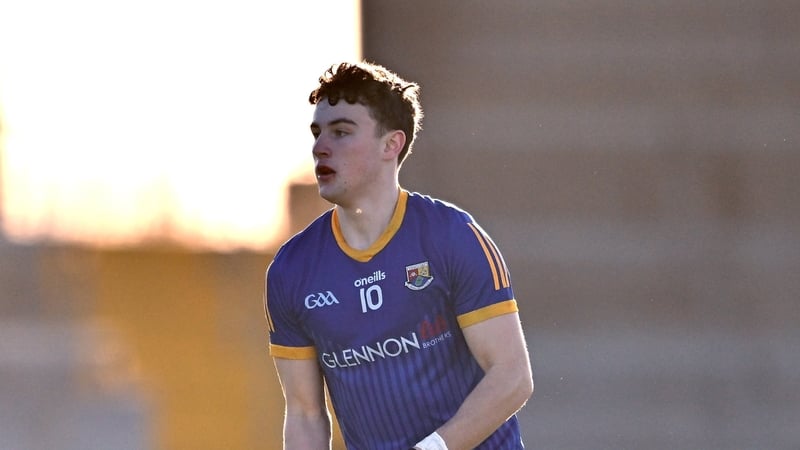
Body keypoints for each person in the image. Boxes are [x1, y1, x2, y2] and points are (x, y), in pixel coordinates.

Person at [264, 61, 533, 450]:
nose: (320, 147)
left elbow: (512, 377)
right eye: (317, 132)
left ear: (392, 144)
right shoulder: (291, 270)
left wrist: (434, 449)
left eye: (341, 132)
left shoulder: (452, 237)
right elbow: (305, 414)